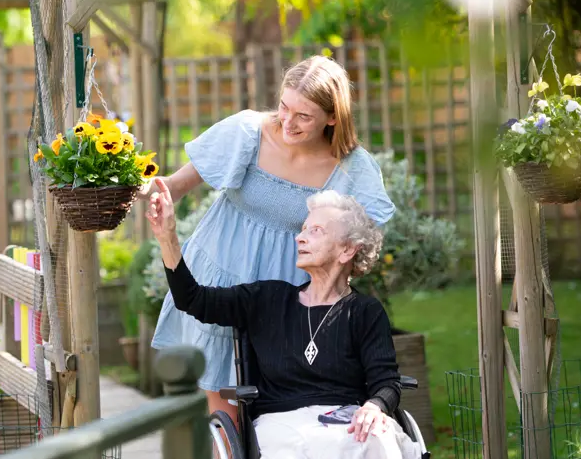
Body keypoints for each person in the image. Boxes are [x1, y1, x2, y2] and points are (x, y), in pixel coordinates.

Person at [138, 55, 396, 421]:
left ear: (332, 117)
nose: (288, 122)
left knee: (276, 404)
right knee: (225, 409)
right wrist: (131, 184)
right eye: (284, 107)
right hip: (221, 272)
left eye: (303, 116)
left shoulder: (351, 168)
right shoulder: (248, 132)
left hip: (285, 296)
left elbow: (359, 240)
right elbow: (174, 186)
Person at [147, 182, 419, 459]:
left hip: (347, 421)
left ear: (347, 250)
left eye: (315, 231)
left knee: (377, 439)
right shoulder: (268, 299)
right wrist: (168, 238)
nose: (300, 238)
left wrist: (375, 406)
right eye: (303, 229)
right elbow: (192, 299)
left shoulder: (365, 311)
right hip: (282, 424)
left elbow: (387, 381)